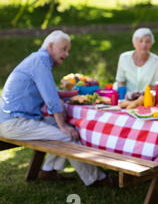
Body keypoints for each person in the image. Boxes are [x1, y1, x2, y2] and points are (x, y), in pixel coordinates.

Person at [0, 31, 114, 186]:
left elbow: (52, 92)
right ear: (51, 46)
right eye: (64, 49)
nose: (66, 54)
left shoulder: (38, 60)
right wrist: (63, 126)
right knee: (68, 136)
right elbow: (52, 100)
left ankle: (48, 170)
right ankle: (96, 179)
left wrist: (75, 93)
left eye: (68, 50)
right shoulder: (40, 61)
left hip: (18, 120)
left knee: (66, 127)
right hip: (15, 123)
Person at [115, 27, 158, 95]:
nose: (144, 44)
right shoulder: (124, 57)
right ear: (134, 43)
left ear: (152, 43)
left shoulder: (157, 61)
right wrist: (124, 96)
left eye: (147, 41)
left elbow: (154, 85)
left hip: (145, 97)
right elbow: (120, 81)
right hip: (125, 96)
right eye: (140, 41)